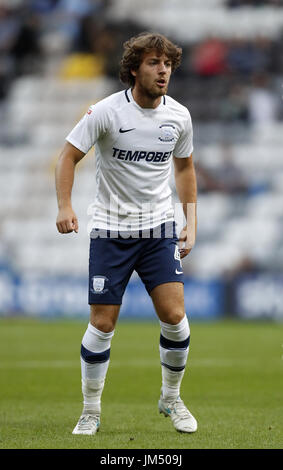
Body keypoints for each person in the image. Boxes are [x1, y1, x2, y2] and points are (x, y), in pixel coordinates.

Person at [55, 32, 198, 435]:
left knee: (175, 317)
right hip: (111, 231)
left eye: (168, 63)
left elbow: (184, 168)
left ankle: (171, 399)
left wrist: (191, 221)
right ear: (134, 68)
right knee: (102, 324)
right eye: (154, 63)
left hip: (158, 230)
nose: (163, 70)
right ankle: (91, 409)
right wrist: (64, 205)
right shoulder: (105, 111)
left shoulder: (179, 117)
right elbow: (68, 156)